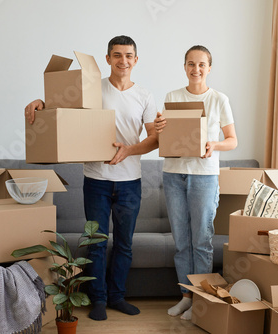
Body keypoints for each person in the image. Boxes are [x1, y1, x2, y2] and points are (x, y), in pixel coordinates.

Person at [24, 35, 158, 321]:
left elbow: (155, 139)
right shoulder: (93, 89)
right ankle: (97, 299)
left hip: (130, 183)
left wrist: (129, 151)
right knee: (96, 241)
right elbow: (62, 106)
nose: (123, 60)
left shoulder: (144, 96)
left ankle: (117, 297)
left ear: (136, 60)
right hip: (96, 180)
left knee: (124, 243)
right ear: (108, 59)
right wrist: (40, 101)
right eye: (117, 55)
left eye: (129, 55)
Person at [154, 45, 237, 320]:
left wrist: (214, 144)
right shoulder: (173, 97)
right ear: (185, 67)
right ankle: (186, 297)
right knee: (181, 241)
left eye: (201, 64)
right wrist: (160, 128)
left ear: (209, 68)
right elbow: (168, 135)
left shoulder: (219, 99)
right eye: (191, 64)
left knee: (201, 240)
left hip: (204, 176)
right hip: (174, 173)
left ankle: (201, 301)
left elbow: (233, 140)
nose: (196, 69)